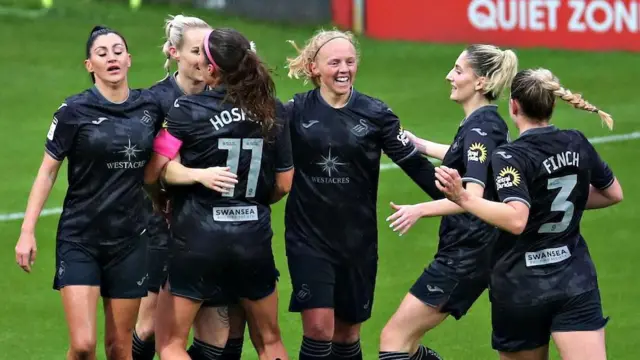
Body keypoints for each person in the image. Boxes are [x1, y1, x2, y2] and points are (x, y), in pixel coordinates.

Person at [433, 67, 622, 360]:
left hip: (520, 286)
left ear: (514, 106)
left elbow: (516, 219)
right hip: (574, 279)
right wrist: (551, 202)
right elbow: (613, 193)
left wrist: (462, 197)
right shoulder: (576, 141)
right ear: (553, 104)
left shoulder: (510, 155)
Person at [284, 29, 443, 360]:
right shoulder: (295, 112)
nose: (344, 69)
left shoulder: (376, 114)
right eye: (335, 62)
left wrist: (464, 198)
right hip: (307, 238)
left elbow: (415, 165)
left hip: (357, 241)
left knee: (347, 333)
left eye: (350, 61)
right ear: (314, 68)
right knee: (317, 329)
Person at [14, 26, 164, 359]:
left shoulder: (150, 107)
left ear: (129, 59)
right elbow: (47, 170)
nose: (111, 57)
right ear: (89, 65)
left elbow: (165, 157)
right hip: (80, 238)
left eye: (117, 50)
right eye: (102, 52)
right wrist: (27, 231)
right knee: (83, 346)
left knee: (119, 347)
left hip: (130, 239)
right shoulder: (73, 111)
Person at [150, 27, 292, 360]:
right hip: (253, 238)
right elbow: (284, 183)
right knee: (269, 341)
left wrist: (177, 185)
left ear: (212, 69)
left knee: (170, 343)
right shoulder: (274, 110)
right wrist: (252, 200)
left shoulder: (187, 110)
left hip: (198, 239)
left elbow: (155, 168)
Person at [380, 44, 518, 360]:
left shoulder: (480, 128)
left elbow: (471, 195)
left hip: (467, 254)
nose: (449, 76)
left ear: (480, 83)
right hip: (471, 249)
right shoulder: (484, 123)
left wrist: (420, 209)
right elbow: (471, 159)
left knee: (393, 340)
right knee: (405, 342)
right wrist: (421, 144)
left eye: (458, 70)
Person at [133, 14, 248, 360]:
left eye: (209, 50)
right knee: (151, 326)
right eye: (197, 50)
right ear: (174, 53)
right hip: (161, 227)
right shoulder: (153, 102)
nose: (204, 58)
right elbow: (147, 169)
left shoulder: (228, 100)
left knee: (218, 331)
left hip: (211, 230)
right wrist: (159, 202)